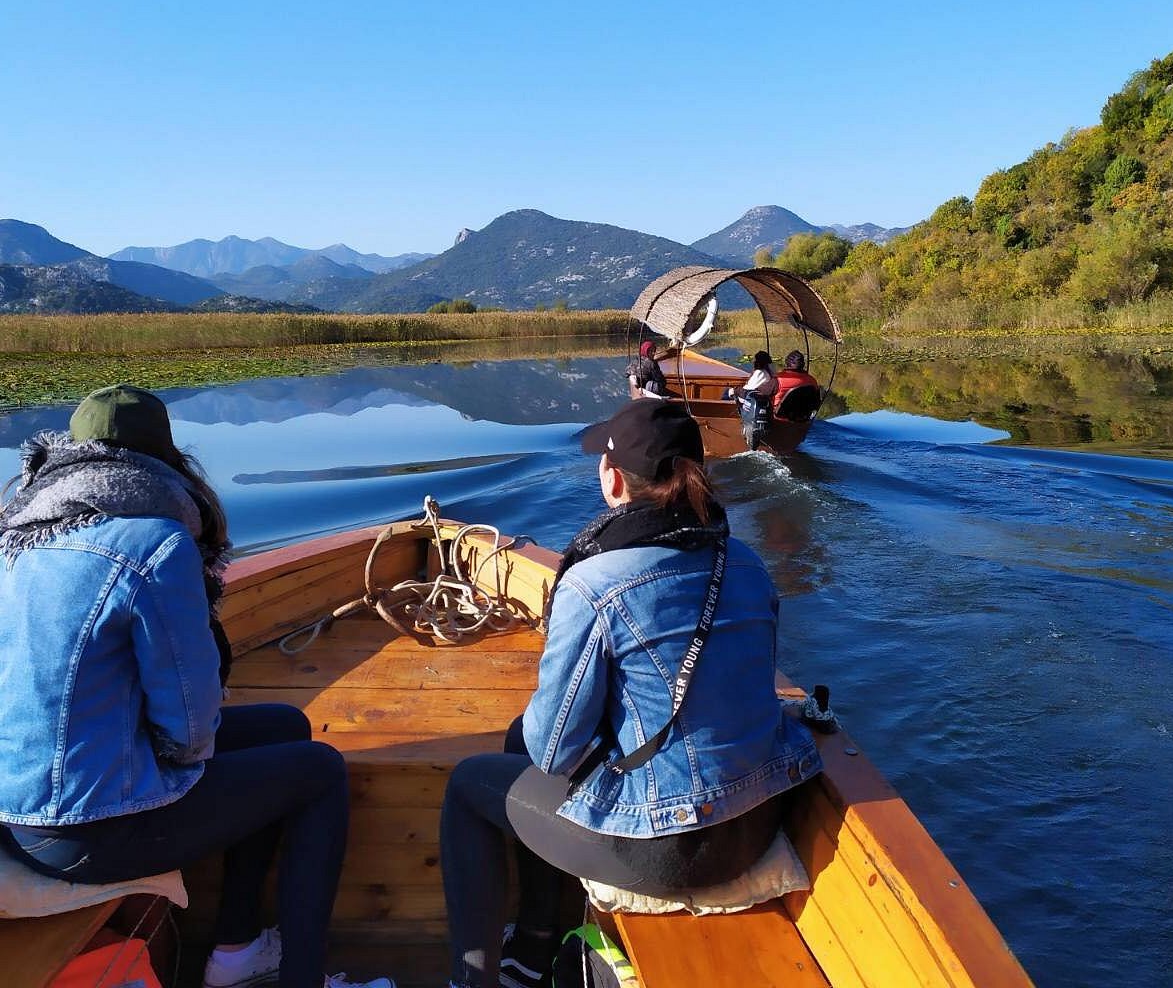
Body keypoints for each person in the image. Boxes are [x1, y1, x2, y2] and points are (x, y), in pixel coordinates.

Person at [0, 385, 393, 988]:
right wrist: (179, 763)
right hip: (84, 826)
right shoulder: (154, 542)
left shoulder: (21, 534)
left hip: (17, 807)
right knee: (317, 771)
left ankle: (236, 949)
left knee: (284, 727)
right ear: (165, 460)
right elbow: (189, 720)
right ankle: (304, 978)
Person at [439, 398, 822, 988]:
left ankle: (478, 979)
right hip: (757, 819)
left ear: (612, 479)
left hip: (668, 847)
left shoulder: (596, 582)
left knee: (472, 784)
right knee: (519, 738)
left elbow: (552, 752)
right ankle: (537, 944)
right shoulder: (744, 564)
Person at [772, 350, 821, 415]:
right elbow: (816, 404)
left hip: (779, 419)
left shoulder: (777, 378)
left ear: (787, 363)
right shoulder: (812, 380)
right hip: (803, 420)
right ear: (803, 364)